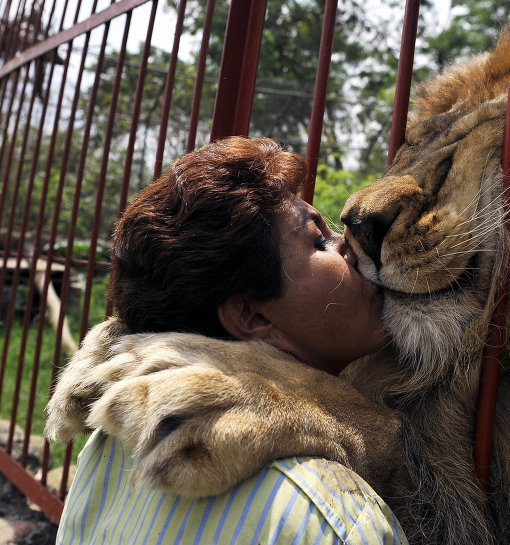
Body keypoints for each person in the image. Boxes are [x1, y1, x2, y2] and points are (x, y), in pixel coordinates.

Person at [53, 137, 407, 545]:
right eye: (318, 241)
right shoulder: (329, 515)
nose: (348, 244)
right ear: (251, 317)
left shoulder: (109, 448)